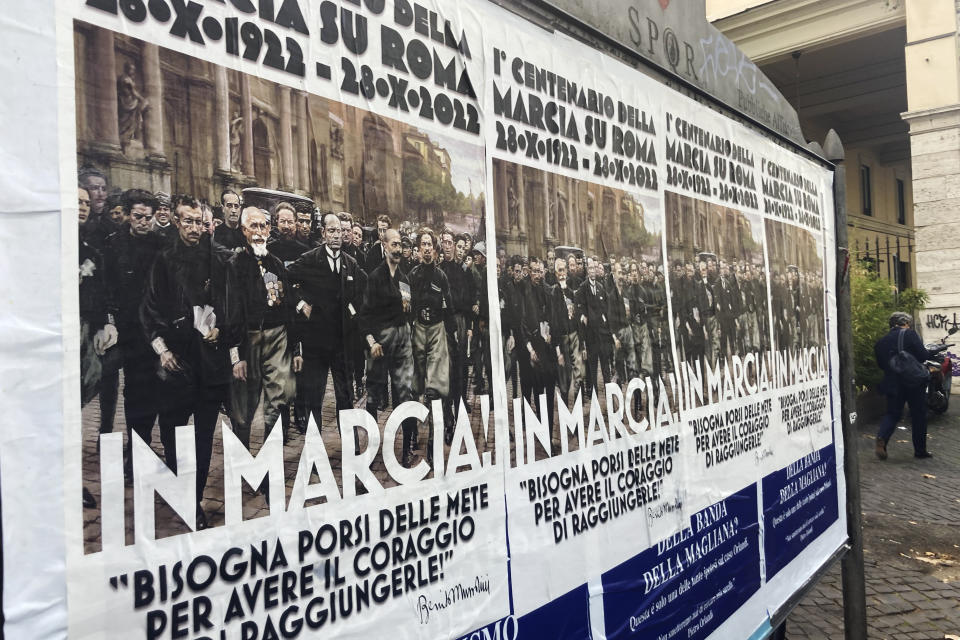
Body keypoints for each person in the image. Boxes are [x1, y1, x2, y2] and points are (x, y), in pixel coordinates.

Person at [140, 195, 240, 529]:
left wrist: (221, 331)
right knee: (171, 433)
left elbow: (231, 305)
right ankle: (177, 482)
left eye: (199, 222)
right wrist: (162, 350)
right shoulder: (163, 260)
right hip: (176, 364)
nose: (194, 228)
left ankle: (193, 500)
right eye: (188, 221)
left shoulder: (218, 260)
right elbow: (149, 309)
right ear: (177, 222)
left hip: (210, 366)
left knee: (201, 440)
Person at [102, 189, 165, 480]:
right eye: (138, 217)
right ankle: (136, 448)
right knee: (135, 391)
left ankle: (146, 445)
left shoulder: (161, 245)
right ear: (127, 215)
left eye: (149, 218)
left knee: (156, 390)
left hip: (157, 329)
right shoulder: (114, 245)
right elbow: (108, 289)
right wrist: (111, 320)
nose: (144, 222)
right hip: (130, 332)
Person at [286, 212, 365, 435]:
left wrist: (352, 313)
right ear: (323, 233)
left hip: (342, 342)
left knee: (345, 396)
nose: (336, 235)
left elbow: (361, 293)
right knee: (314, 398)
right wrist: (301, 304)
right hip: (316, 343)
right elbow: (285, 277)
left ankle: (351, 449)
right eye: (331, 231)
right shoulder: (310, 258)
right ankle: (314, 451)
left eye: (340, 231)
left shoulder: (351, 264)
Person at [228, 207, 297, 449]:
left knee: (278, 402)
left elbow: (288, 305)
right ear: (244, 230)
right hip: (249, 339)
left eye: (262, 227)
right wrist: (236, 356)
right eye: (253, 227)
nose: (258, 232)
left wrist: (295, 349)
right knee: (243, 408)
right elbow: (232, 311)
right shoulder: (235, 265)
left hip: (277, 337)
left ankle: (271, 471)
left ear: (269, 230)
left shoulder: (276, 264)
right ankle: (242, 462)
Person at [358, 229, 417, 466]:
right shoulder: (374, 277)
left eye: (400, 245)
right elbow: (364, 315)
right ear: (383, 246)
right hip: (379, 344)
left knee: (405, 393)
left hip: (402, 341)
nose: (398, 249)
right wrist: (371, 341)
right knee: (373, 395)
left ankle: (406, 450)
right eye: (393, 244)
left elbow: (408, 309)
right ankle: (371, 449)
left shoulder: (404, 278)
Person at [874, 312, 935, 460]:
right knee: (918, 415)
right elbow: (923, 356)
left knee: (892, 413)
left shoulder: (881, 341)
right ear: (905, 323)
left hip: (892, 382)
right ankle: (920, 451)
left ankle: (882, 437)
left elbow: (882, 364)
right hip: (913, 382)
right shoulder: (910, 334)